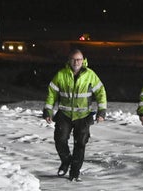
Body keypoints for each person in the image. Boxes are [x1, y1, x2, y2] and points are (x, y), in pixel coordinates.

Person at [43, 48, 107, 181]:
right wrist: (48, 110)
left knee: (80, 144)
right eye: (73, 59)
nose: (76, 62)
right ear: (69, 60)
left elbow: (101, 93)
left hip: (83, 116)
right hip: (64, 115)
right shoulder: (61, 74)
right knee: (60, 140)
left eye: (79, 59)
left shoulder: (90, 75)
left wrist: (101, 111)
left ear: (83, 61)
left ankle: (74, 172)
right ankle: (66, 161)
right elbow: (51, 94)